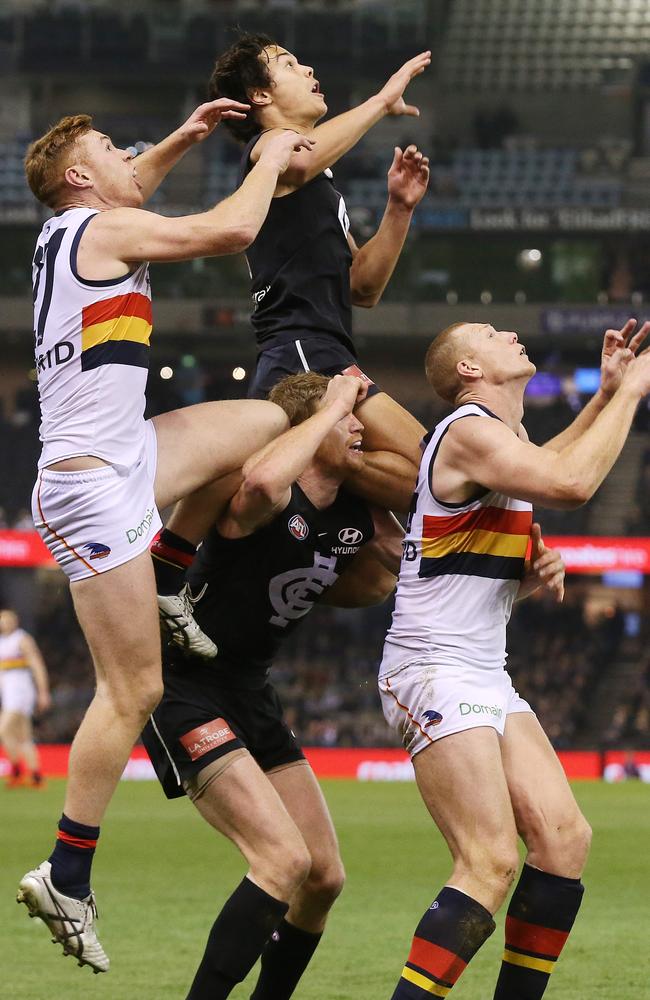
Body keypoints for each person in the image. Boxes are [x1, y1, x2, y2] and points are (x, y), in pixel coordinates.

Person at [17, 104, 313, 973]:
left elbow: (136, 183)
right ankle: (69, 871)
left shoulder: (72, 228)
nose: (127, 154)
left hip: (126, 455)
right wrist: (263, 157)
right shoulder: (104, 227)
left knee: (264, 425)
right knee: (133, 690)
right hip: (90, 487)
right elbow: (229, 230)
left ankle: (171, 579)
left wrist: (185, 136)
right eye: (109, 148)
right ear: (79, 177)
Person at [379, 318, 650, 999]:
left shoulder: (498, 439)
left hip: (480, 668)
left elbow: (543, 464)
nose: (509, 332)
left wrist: (601, 395)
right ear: (469, 368)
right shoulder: (468, 430)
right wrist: (631, 396)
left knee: (564, 840)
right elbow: (572, 483)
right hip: (432, 664)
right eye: (492, 334)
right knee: (489, 861)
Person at [142, 372, 402, 1000]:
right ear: (309, 427)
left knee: (324, 878)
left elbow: (396, 565)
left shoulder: (355, 513)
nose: (359, 426)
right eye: (346, 417)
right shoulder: (259, 486)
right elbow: (261, 481)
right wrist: (330, 403)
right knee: (283, 861)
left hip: (250, 689)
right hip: (182, 680)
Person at [207, 34, 432, 514]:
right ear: (260, 95)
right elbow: (301, 158)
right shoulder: (267, 147)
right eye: (290, 64)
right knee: (431, 469)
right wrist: (380, 102)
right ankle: (321, 468)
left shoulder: (321, 185)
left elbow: (362, 287)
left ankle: (317, 474)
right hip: (302, 348)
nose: (308, 70)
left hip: (318, 345)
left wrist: (399, 208)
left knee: (373, 556)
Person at [0, 608, 51, 788]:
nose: (4, 622)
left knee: (4, 729)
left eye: (7, 619)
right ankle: (36, 777)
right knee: (24, 737)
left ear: (15, 621)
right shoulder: (2, 642)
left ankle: (16, 771)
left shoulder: (22, 640)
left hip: (21, 692)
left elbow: (37, 665)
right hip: (9, 694)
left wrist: (43, 692)